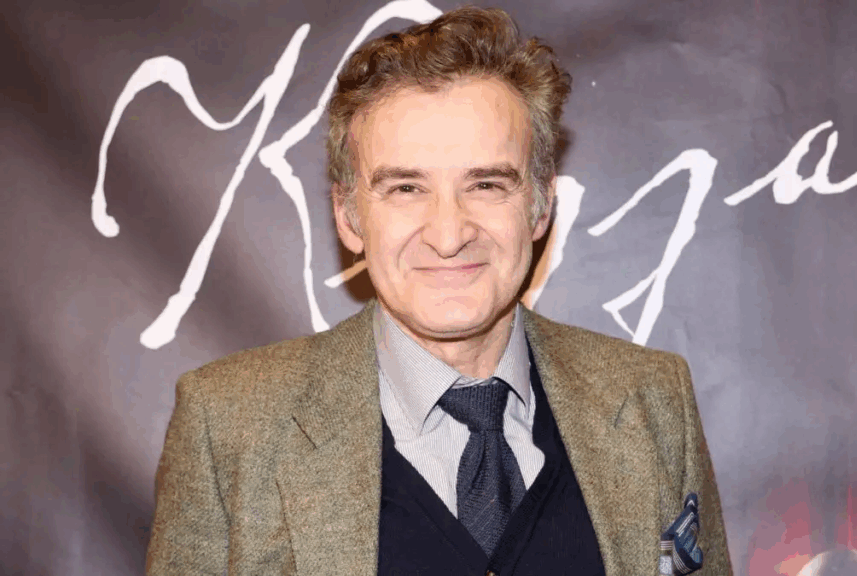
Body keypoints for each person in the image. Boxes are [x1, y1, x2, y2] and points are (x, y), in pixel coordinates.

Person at [146, 6, 732, 575]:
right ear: (348, 216)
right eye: (406, 188)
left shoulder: (655, 399)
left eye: (486, 184)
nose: (449, 236)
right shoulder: (228, 426)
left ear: (540, 205)